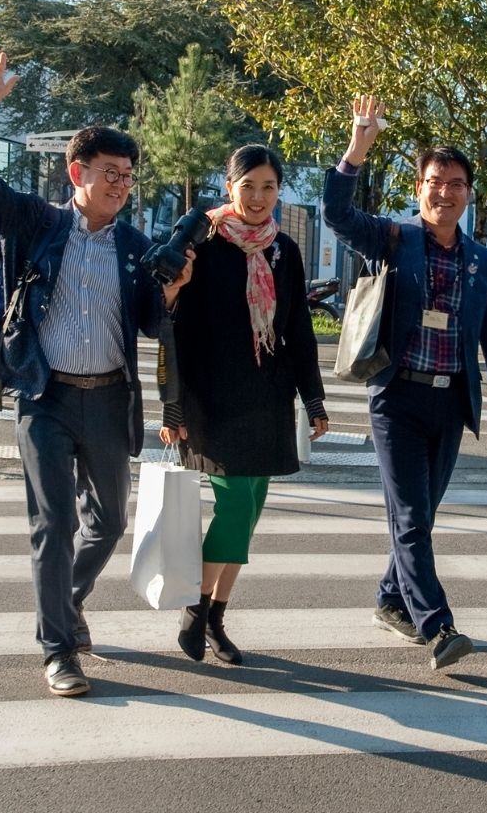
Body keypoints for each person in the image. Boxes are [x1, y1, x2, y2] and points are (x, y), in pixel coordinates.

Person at [0, 44, 187, 698]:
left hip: (111, 400)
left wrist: (169, 291)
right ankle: (58, 649)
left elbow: (146, 322)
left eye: (129, 176)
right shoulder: (35, 224)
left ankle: (68, 602)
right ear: (76, 171)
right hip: (46, 396)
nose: (121, 184)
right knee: (53, 523)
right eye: (111, 172)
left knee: (109, 523)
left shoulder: (138, 247)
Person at [321, 96, 487, 671]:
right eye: (435, 182)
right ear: (419, 188)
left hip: (450, 399)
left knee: (421, 516)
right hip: (397, 397)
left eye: (456, 183)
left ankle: (390, 599)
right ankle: (438, 626)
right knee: (409, 517)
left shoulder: (483, 259)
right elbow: (337, 214)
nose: (445, 192)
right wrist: (357, 151)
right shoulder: (393, 239)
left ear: (468, 192)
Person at [158, 144, 329, 666]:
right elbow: (171, 329)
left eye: (268, 187)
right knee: (234, 507)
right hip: (211, 398)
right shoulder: (199, 241)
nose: (257, 198)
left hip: (267, 396)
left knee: (250, 511)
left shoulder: (284, 250)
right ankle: (195, 611)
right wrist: (171, 404)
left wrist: (313, 398)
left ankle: (215, 617)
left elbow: (297, 327)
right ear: (229, 185)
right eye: (248, 186)